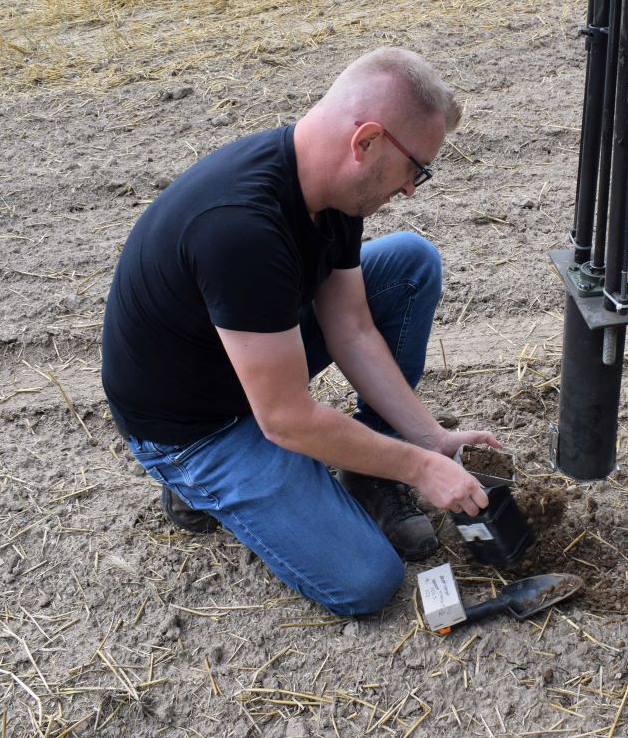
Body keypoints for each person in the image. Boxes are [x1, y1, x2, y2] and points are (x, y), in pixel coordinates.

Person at [101, 47, 498, 616]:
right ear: (365, 142)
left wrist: (429, 438)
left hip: (251, 362)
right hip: (195, 428)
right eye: (417, 169)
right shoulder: (241, 230)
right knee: (367, 580)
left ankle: (361, 469)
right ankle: (198, 485)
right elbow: (285, 418)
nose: (412, 189)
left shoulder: (332, 191)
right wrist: (417, 468)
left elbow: (353, 329)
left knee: (410, 262)